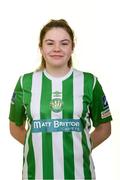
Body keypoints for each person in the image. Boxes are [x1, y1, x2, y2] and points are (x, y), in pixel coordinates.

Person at [9, 19, 112, 180]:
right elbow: (15, 127)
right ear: (41, 48)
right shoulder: (25, 82)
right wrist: (42, 147)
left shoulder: (89, 82)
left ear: (72, 48)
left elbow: (104, 128)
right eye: (50, 43)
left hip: (79, 175)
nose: (57, 49)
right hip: (35, 175)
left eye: (64, 43)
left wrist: (81, 146)